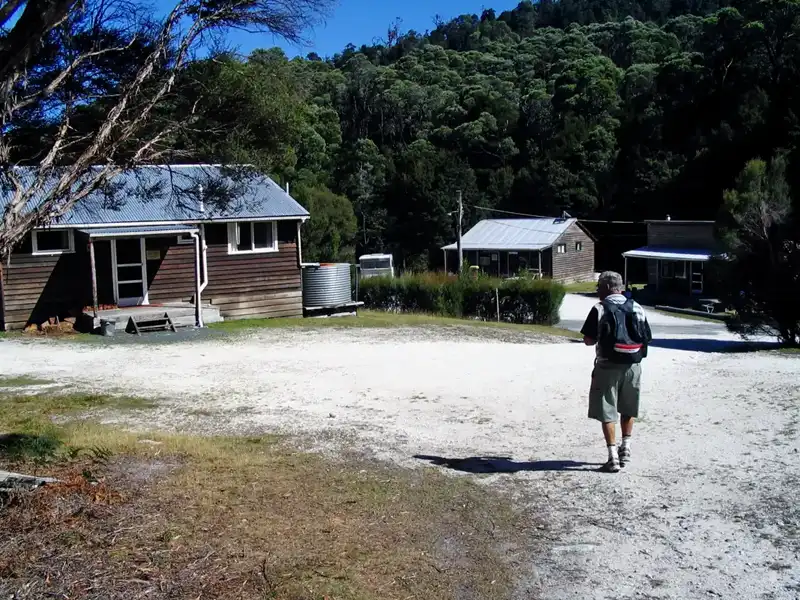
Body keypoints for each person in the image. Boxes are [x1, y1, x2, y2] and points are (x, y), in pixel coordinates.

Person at [581, 271, 652, 473]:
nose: (597, 291)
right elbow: (647, 336)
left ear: (604, 288)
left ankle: (612, 457)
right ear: (620, 287)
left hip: (607, 365)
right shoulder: (637, 307)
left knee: (607, 409)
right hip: (633, 365)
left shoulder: (599, 308)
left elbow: (588, 340)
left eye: (598, 288)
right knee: (628, 407)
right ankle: (626, 448)